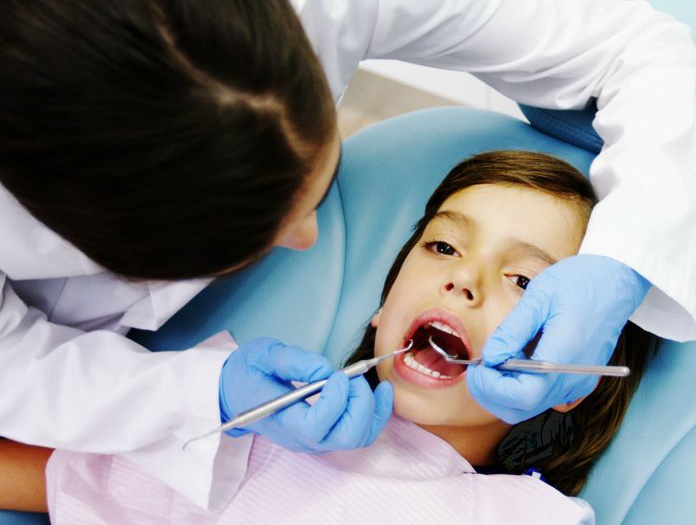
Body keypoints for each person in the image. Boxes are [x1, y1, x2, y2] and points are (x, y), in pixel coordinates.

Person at [0, 0, 696, 510]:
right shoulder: (232, 456)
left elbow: (639, 50)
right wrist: (198, 397)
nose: (310, 237)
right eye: (441, 245)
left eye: (526, 280)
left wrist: (624, 262)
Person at [0, 152, 656, 523]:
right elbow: (46, 476)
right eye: (443, 245)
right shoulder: (242, 428)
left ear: (577, 373)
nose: (463, 280)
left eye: (521, 280)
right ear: (383, 310)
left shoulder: (521, 517)